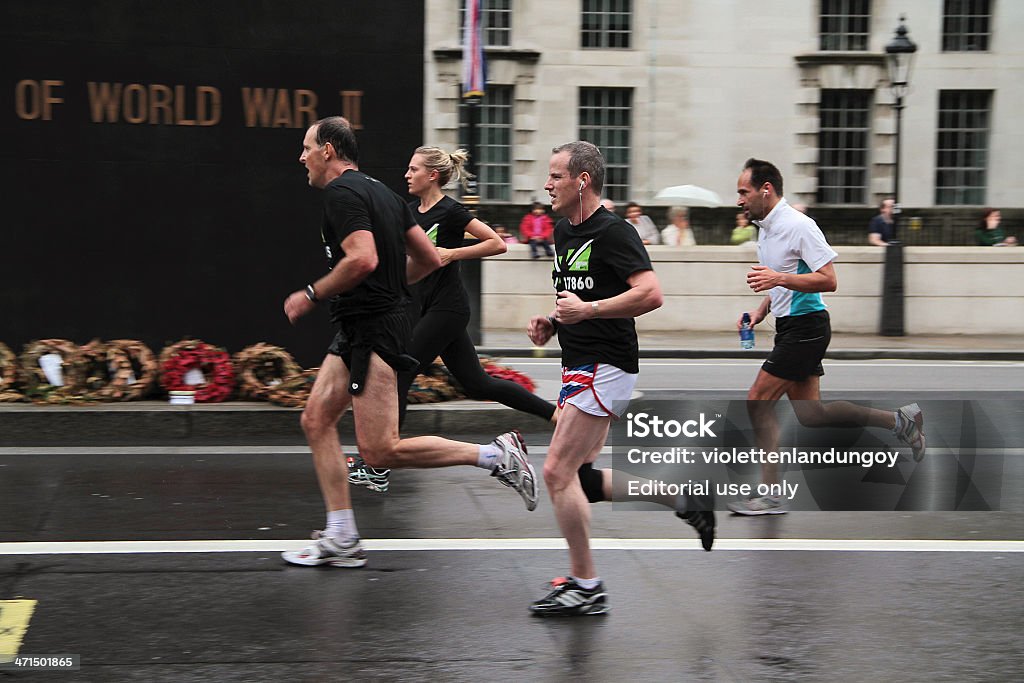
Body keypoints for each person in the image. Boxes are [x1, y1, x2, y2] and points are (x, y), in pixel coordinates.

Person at [281, 117, 538, 568]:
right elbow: (426, 257)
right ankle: (342, 534)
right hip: (362, 325)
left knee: (381, 450)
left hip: (375, 329)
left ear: (327, 150)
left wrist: (312, 293)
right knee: (316, 419)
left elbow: (362, 259)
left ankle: (496, 456)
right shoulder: (385, 194)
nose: (300, 157)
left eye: (306, 148)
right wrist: (393, 288)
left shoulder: (342, 194)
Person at [525, 141, 714, 617]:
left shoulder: (615, 231)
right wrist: (555, 319)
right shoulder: (563, 231)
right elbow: (581, 293)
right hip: (578, 362)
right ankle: (682, 497)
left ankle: (587, 585)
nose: (546, 184)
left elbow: (650, 293)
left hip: (605, 365)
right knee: (582, 479)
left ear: (581, 181)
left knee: (555, 472)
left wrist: (587, 310)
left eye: (555, 176)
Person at [347, 146, 558, 494]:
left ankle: (379, 466)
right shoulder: (409, 212)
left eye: (413, 169)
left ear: (432, 175)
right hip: (423, 306)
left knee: (400, 369)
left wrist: (451, 252)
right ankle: (558, 417)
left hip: (448, 308)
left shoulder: (452, 211)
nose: (406, 175)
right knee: (477, 384)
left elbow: (496, 243)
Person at [731, 158, 926, 515]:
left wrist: (777, 280)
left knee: (757, 399)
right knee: (813, 415)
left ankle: (771, 495)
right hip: (791, 327)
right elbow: (784, 276)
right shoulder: (768, 228)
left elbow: (828, 279)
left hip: (807, 328)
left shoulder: (799, 225)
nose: (739, 200)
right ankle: (901, 421)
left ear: (766, 189)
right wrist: (762, 309)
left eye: (743, 192)